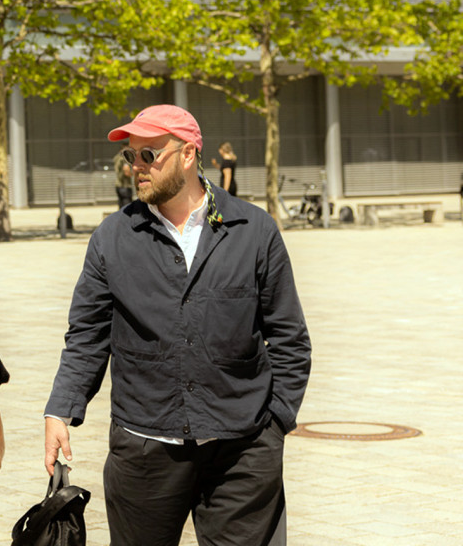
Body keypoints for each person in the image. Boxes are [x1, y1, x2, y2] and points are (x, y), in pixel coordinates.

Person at [43, 105, 311, 546]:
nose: (136, 167)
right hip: (143, 450)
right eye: (131, 156)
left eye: (149, 155)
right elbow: (87, 337)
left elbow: (289, 338)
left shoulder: (254, 231)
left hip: (242, 451)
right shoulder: (112, 238)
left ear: (188, 154)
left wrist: (275, 424)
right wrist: (60, 410)